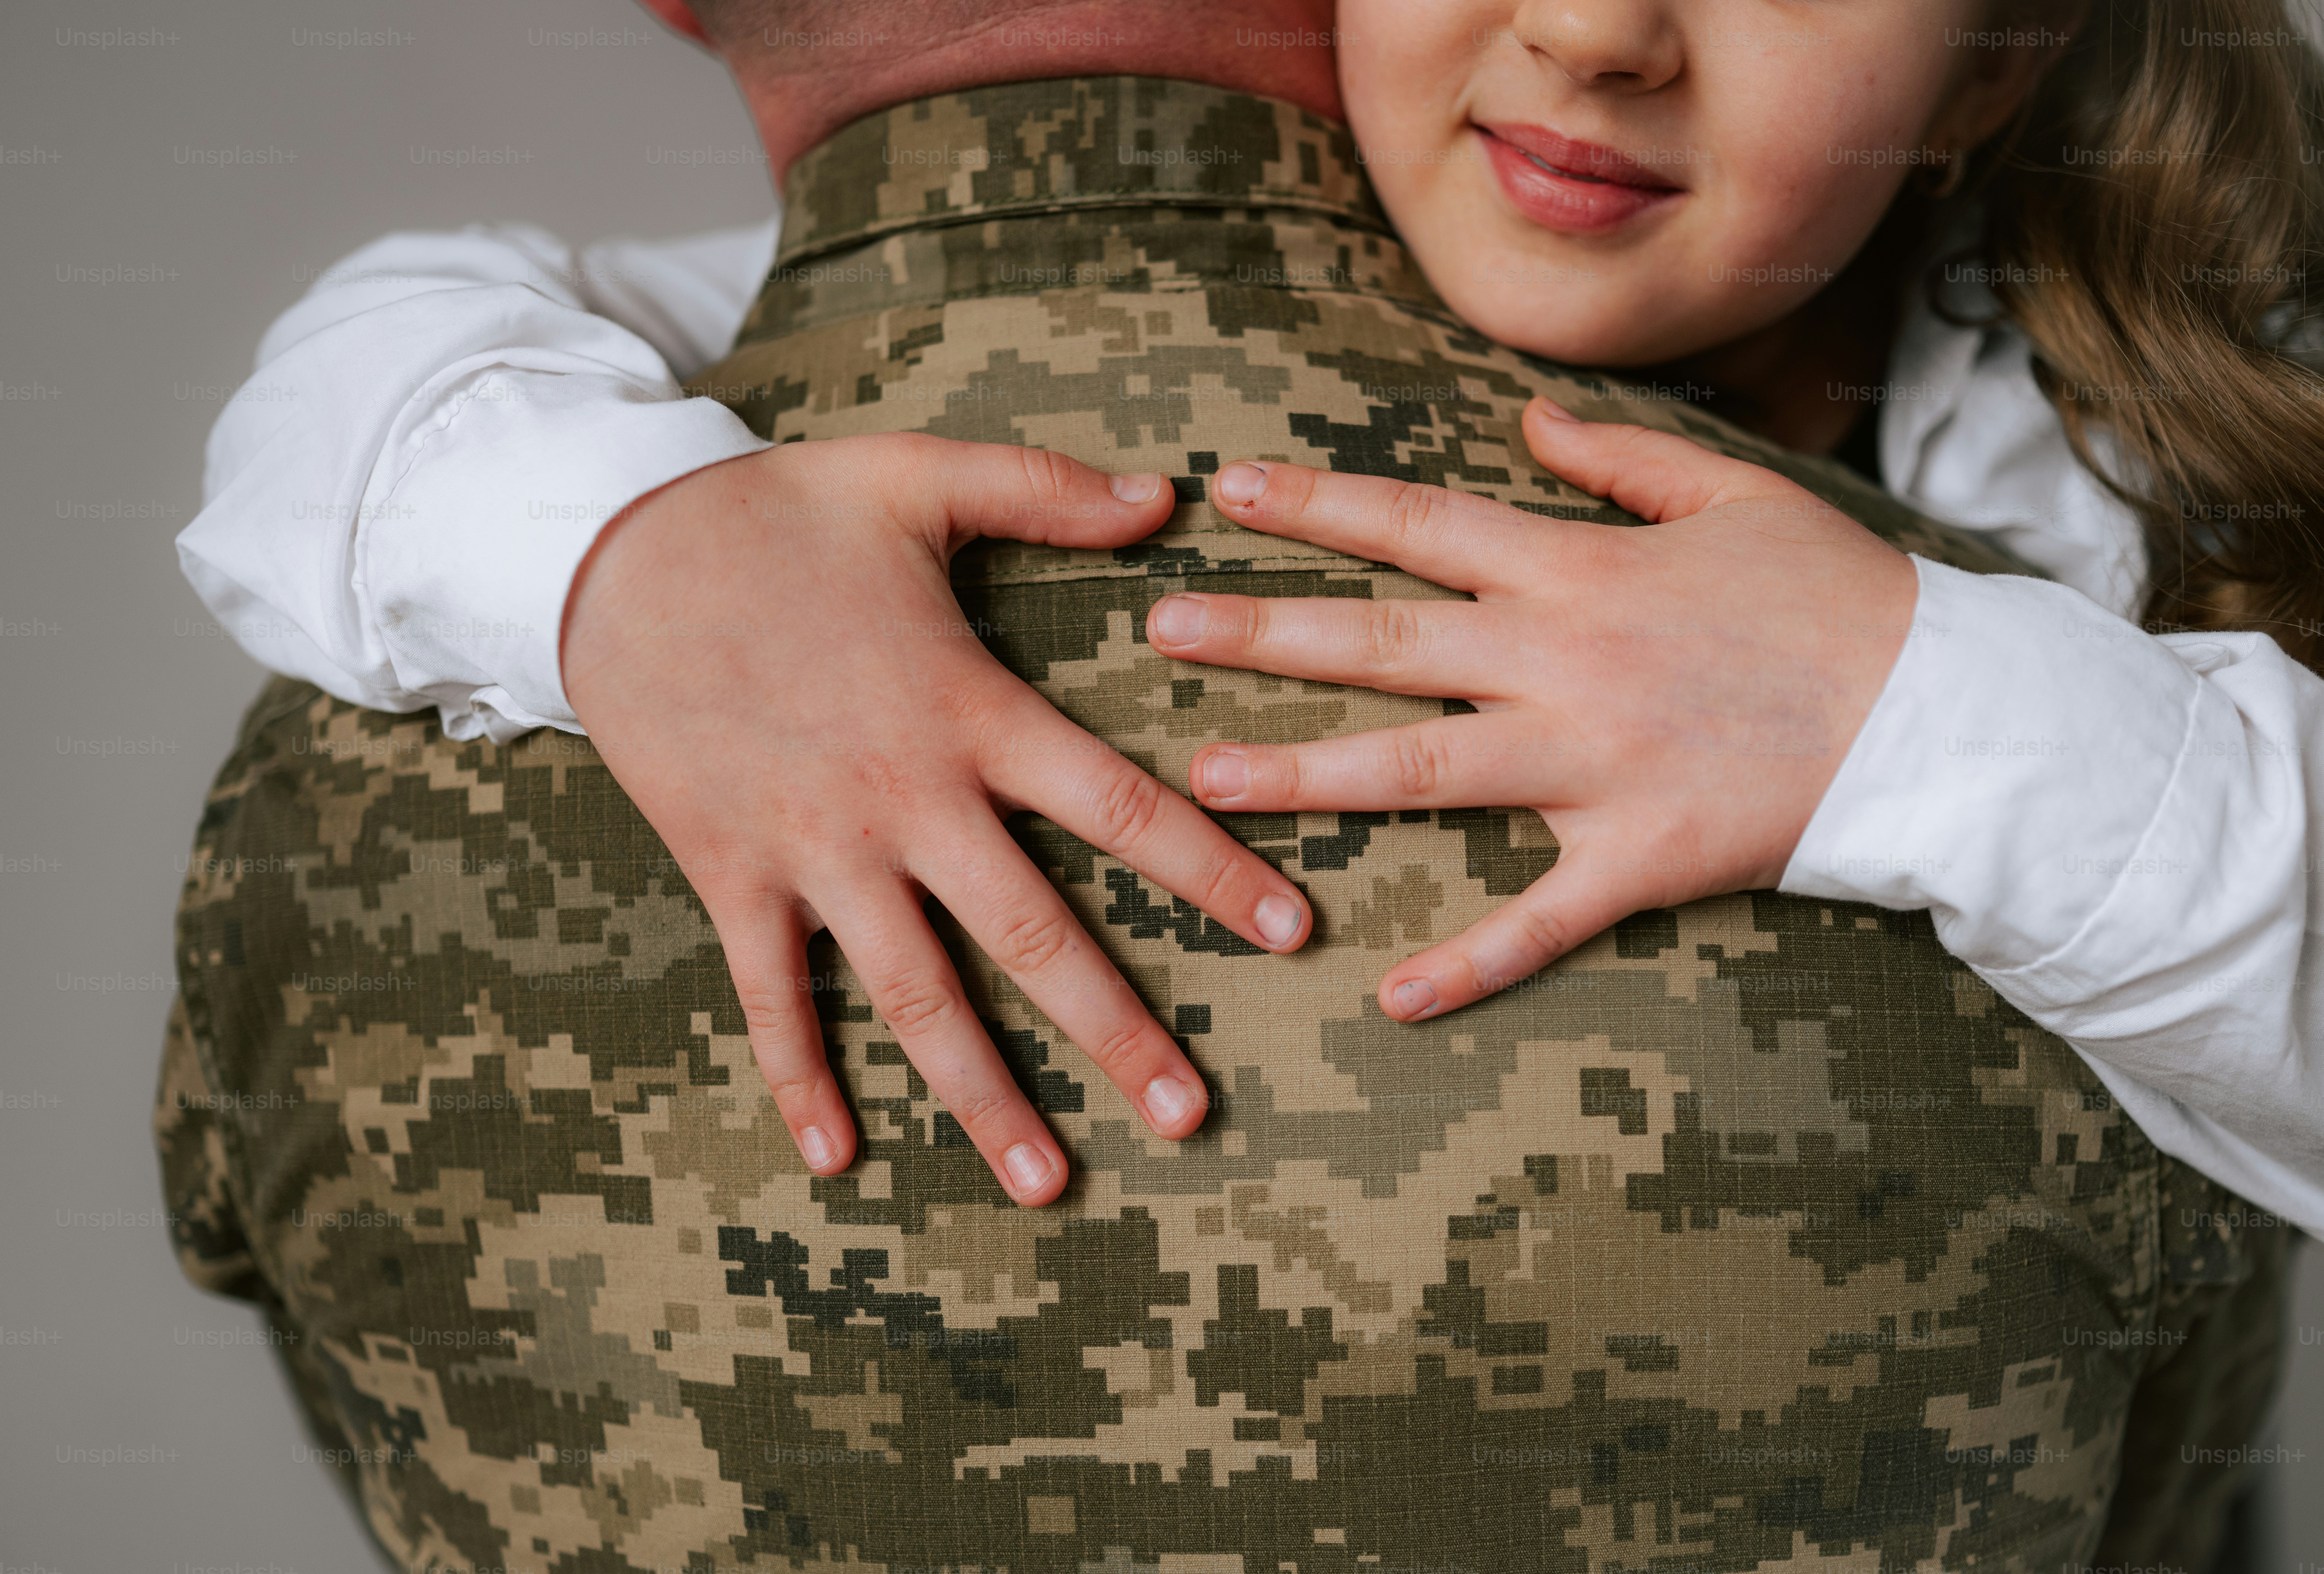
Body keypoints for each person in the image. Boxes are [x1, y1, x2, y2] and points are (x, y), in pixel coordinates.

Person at [158, 2, 2302, 1570]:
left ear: (2000, 59)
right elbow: (374, 381)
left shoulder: (2154, 508)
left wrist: (1902, 698)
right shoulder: (690, 387)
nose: (1593, 27)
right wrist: (630, 558)